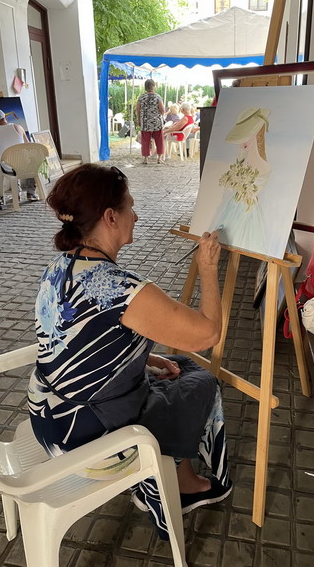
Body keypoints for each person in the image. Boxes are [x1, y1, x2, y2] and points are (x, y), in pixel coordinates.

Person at [27, 164, 232, 540]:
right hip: (85, 439)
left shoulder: (59, 266)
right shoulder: (121, 289)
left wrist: (146, 358)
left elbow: (81, 340)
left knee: (177, 367)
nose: (135, 216)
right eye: (130, 207)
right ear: (110, 217)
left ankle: (171, 474)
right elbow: (209, 333)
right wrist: (207, 267)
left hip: (47, 415)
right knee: (201, 381)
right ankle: (172, 484)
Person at [208, 107, 272, 251]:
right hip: (233, 206)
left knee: (243, 239)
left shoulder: (264, 166)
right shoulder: (242, 159)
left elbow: (255, 189)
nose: (242, 142)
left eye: (247, 136)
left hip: (247, 212)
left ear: (257, 133)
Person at [0, 108, 38, 201]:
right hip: (24, 165)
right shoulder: (18, 127)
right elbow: (28, 146)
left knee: (10, 164)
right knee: (31, 161)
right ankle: (30, 193)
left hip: (9, 168)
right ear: (5, 117)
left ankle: (16, 194)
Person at [135, 80, 165, 165]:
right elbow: (162, 110)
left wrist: (139, 119)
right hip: (157, 122)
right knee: (159, 140)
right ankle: (159, 158)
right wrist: (160, 114)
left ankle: (145, 159)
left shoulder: (141, 97)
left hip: (145, 122)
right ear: (154, 86)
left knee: (145, 140)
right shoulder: (158, 97)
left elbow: (137, 109)